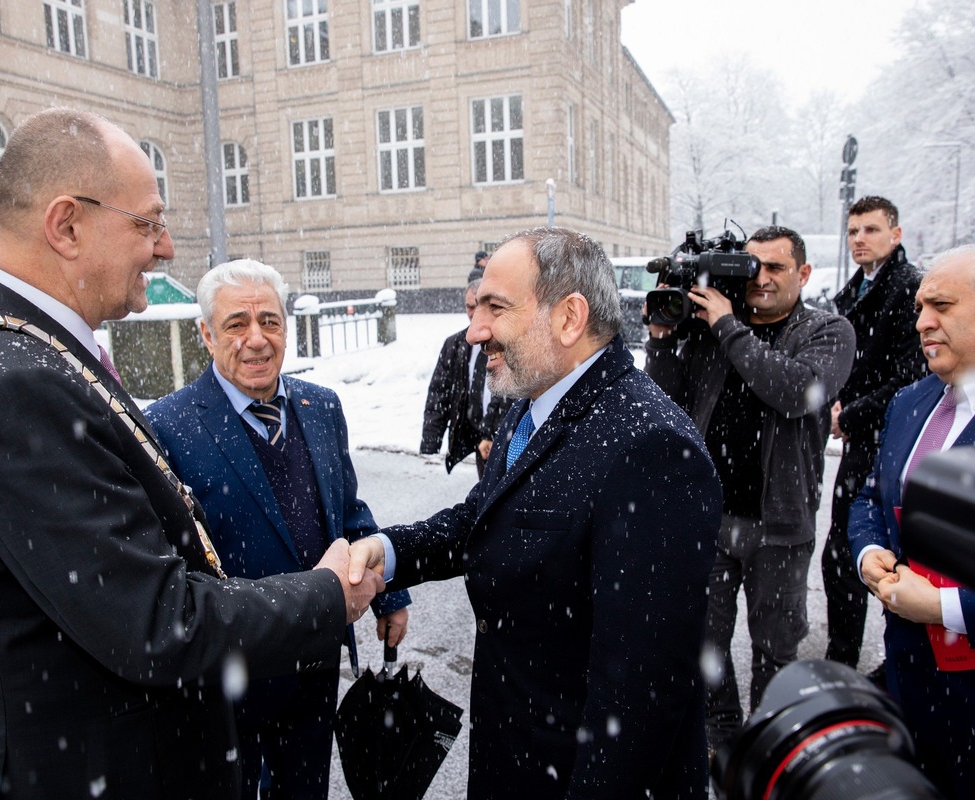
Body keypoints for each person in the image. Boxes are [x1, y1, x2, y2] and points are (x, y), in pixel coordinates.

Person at [0, 107, 382, 800]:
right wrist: (327, 594)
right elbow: (157, 623)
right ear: (66, 226)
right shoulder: (18, 385)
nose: (166, 247)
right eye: (147, 223)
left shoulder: (3, 358)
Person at [349, 227, 721, 798]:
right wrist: (391, 549)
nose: (475, 332)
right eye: (476, 308)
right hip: (516, 757)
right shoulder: (535, 399)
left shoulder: (650, 447)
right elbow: (489, 516)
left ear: (570, 317)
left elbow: (639, 697)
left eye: (495, 308)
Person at [145, 259, 412, 800]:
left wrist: (390, 597)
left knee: (305, 787)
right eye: (236, 324)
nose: (256, 340)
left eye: (269, 321)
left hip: (314, 655)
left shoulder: (321, 407)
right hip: (229, 663)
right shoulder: (168, 426)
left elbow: (346, 509)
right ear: (206, 334)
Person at [848, 242, 975, 799]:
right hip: (912, 686)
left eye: (940, 305)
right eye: (918, 307)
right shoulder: (910, 401)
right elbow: (868, 496)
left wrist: (943, 607)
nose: (921, 323)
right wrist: (869, 556)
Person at [643, 225, 855, 752]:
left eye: (777, 268)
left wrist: (729, 326)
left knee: (775, 651)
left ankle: (771, 744)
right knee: (705, 645)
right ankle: (723, 742)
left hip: (779, 525)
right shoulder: (712, 328)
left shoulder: (827, 331)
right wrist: (664, 341)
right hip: (709, 521)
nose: (761, 278)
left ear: (803, 273)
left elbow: (796, 392)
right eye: (752, 266)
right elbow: (666, 401)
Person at [824, 196, 927, 669]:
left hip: (892, 442)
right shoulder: (856, 290)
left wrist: (852, 414)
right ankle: (843, 656)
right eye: (853, 231)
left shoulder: (908, 290)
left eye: (870, 229)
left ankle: (877, 663)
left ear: (895, 234)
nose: (859, 239)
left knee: (887, 556)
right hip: (863, 440)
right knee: (843, 556)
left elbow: (908, 377)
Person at [420, 278, 511, 477]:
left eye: (479, 306)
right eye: (469, 306)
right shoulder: (456, 345)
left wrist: (495, 432)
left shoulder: (510, 341)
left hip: (506, 436)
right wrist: (431, 439)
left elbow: (512, 393)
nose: (474, 313)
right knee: (486, 497)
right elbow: (439, 393)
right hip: (477, 436)